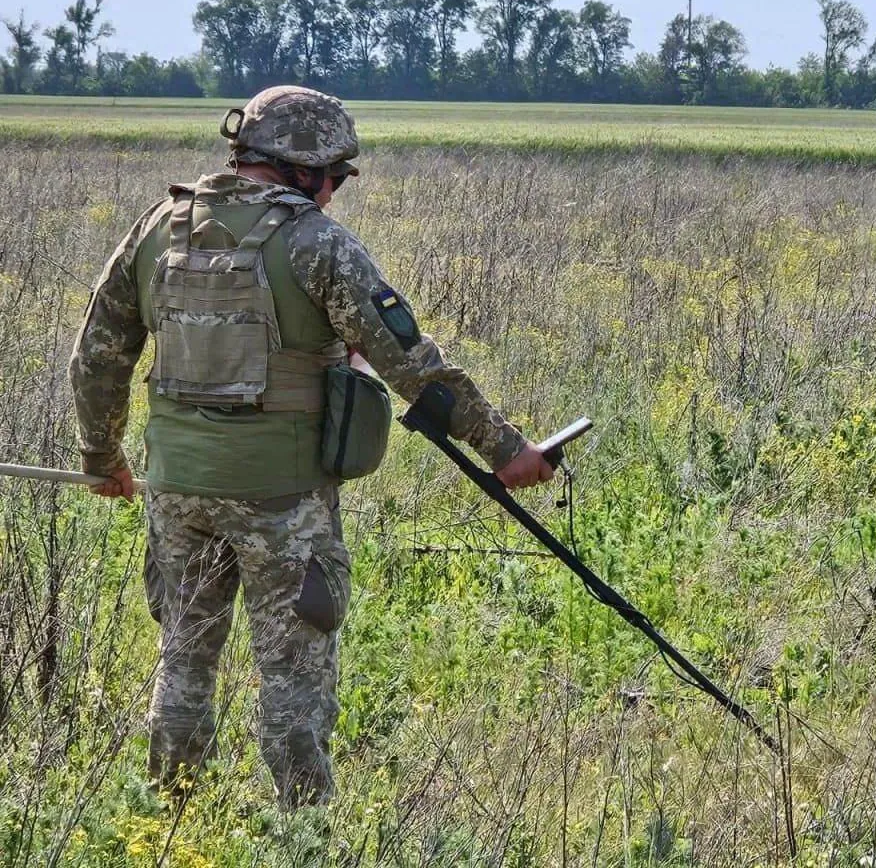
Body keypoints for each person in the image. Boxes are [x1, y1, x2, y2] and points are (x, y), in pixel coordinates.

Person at [68, 85, 554, 810]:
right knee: (294, 675)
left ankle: (169, 816)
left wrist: (101, 459)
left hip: (179, 491)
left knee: (184, 661)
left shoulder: (158, 229)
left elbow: (98, 357)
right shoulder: (315, 242)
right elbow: (414, 366)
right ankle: (305, 829)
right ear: (305, 171)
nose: (335, 194)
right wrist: (506, 449)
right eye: (336, 178)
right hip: (283, 498)